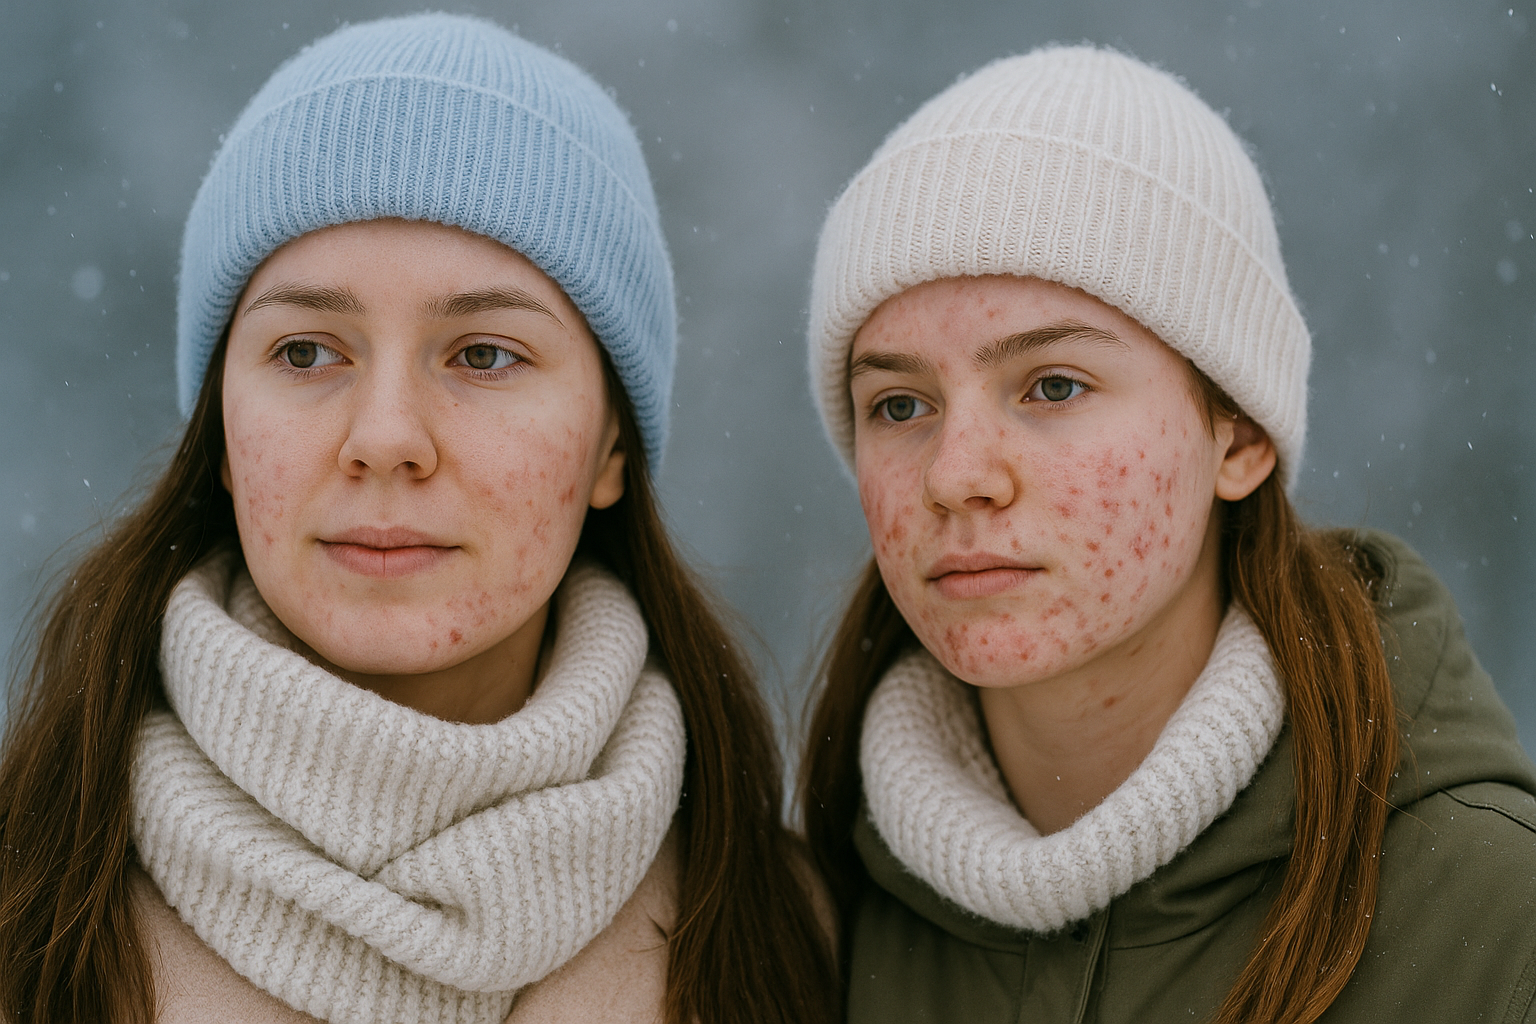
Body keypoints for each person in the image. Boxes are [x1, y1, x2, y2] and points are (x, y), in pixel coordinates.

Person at [0, 14, 835, 1024]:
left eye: (484, 355)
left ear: (610, 445)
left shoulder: (799, 943)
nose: (386, 436)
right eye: (307, 352)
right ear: (219, 428)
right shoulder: (25, 904)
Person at [798, 44, 1536, 1024]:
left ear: (1239, 434)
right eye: (899, 405)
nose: (955, 473)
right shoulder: (798, 928)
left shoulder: (1494, 925)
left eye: (1053, 386)